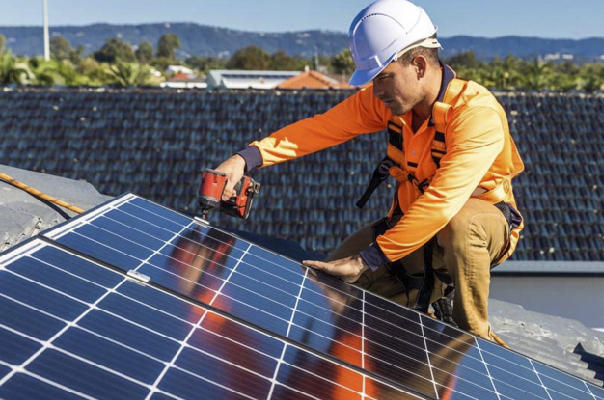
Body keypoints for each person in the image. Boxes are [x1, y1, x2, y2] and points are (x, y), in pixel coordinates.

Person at [213, 0, 524, 341]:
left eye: (384, 78)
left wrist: (368, 259)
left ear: (418, 64)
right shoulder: (389, 103)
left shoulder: (475, 115)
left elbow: (443, 201)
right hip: (411, 228)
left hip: (477, 228)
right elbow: (320, 129)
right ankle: (425, 300)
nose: (376, 91)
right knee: (328, 286)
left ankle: (475, 339)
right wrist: (247, 158)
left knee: (460, 226)